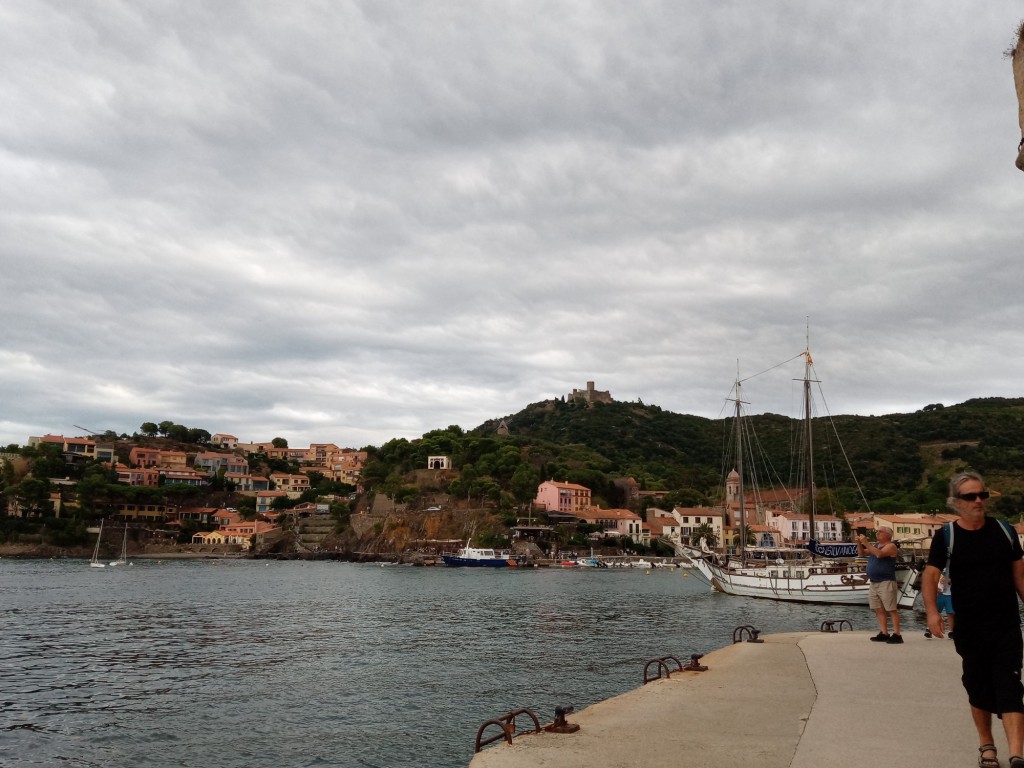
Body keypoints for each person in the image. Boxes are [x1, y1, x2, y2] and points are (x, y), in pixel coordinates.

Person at [924, 471, 1024, 768]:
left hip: (1005, 624)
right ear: (956, 502)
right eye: (971, 496)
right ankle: (987, 746)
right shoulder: (947, 537)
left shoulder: (1005, 531)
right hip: (969, 627)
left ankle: (1017, 753)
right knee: (978, 685)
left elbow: (1021, 579)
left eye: (983, 495)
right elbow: (930, 576)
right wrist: (932, 613)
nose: (979, 500)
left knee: (1010, 684)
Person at [856, 526, 902, 644]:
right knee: (878, 609)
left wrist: (866, 543)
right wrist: (859, 543)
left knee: (891, 609)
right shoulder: (875, 546)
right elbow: (861, 554)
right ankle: (884, 632)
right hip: (874, 582)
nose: (877, 533)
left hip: (886, 582)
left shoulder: (891, 546)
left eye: (880, 531)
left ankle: (897, 634)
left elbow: (880, 554)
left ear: (888, 535)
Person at [925, 571, 955, 638]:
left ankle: (951, 631)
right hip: (939, 594)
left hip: (949, 594)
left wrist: (949, 581)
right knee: (934, 611)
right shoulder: (938, 567)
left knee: (950, 613)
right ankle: (929, 629)